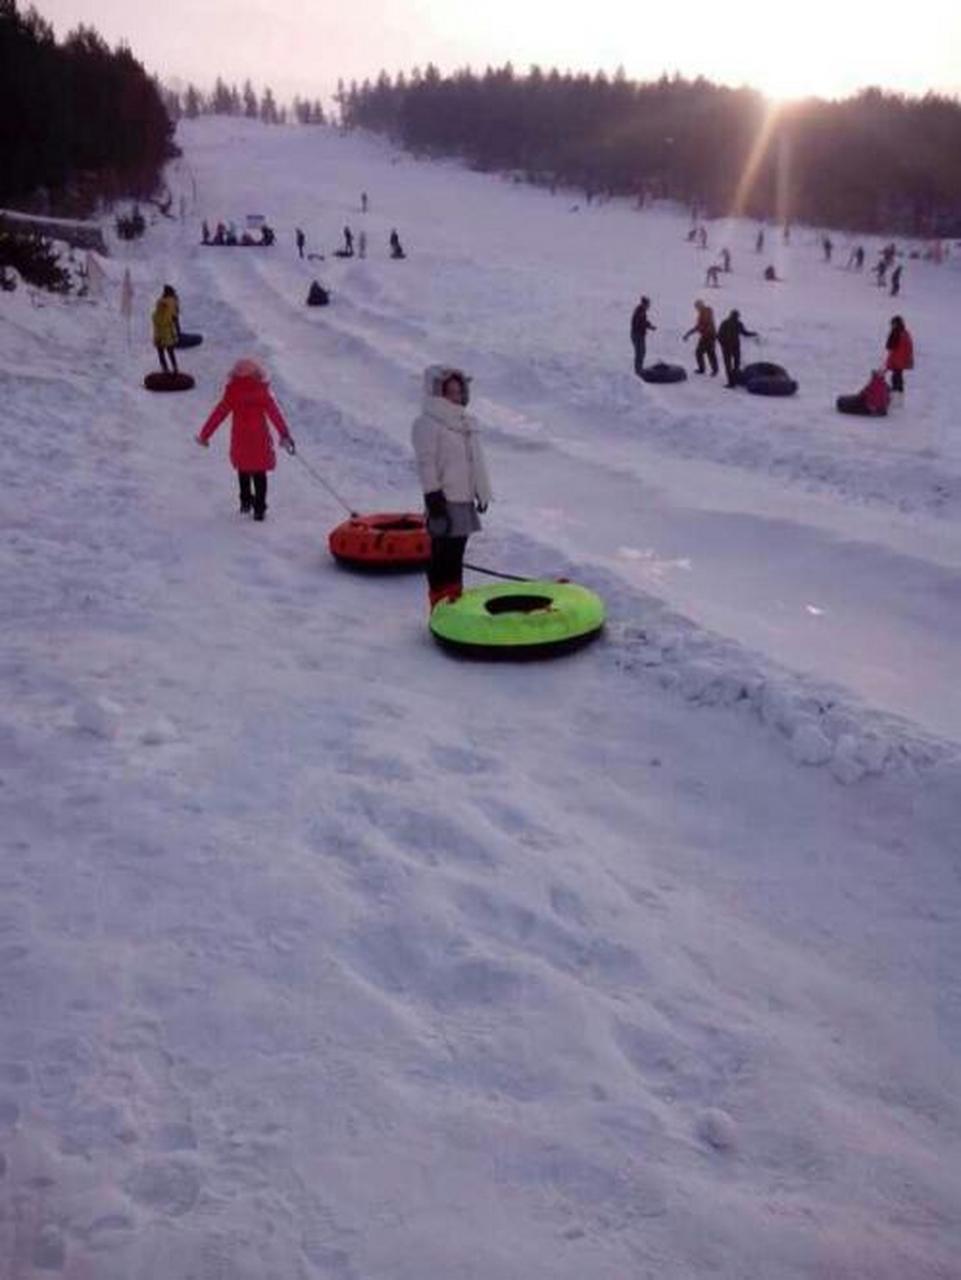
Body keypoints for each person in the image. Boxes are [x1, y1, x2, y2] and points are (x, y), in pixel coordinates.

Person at [411, 366, 492, 610]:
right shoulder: (427, 423)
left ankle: (454, 601)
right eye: (450, 392)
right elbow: (426, 462)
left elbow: (476, 460)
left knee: (456, 554)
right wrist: (432, 495)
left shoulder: (467, 422)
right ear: (437, 393)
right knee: (441, 554)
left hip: (464, 499)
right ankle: (438, 603)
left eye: (459, 392)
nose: (455, 397)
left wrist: (482, 490)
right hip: (444, 499)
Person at [196, 358, 296, 521]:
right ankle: (259, 508)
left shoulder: (232, 393)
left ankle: (245, 501)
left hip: (240, 441)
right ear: (257, 374)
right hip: (259, 441)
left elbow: (218, 414)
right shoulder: (262, 393)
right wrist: (284, 435)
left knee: (243, 470)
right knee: (259, 474)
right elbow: (276, 415)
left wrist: (205, 435)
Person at [717, 309, 759, 387]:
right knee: (736, 364)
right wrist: (753, 334)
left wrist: (722, 344)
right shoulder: (738, 323)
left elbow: (719, 336)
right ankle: (733, 381)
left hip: (728, 348)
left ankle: (731, 382)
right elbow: (745, 333)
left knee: (728, 365)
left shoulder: (725, 323)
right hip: (734, 347)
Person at [683, 299, 718, 375]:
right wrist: (689, 333)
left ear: (701, 305)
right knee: (702, 353)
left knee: (708, 353)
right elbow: (699, 326)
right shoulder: (704, 312)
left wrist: (689, 333)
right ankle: (705, 369)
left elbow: (703, 325)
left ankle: (712, 370)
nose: (696, 309)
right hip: (706, 336)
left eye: (697, 307)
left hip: (709, 336)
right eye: (696, 307)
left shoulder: (705, 312)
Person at [152, 285, 180, 375]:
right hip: (167, 331)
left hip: (159, 331)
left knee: (161, 351)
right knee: (170, 350)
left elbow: (155, 316)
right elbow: (175, 317)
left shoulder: (160, 302)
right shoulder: (172, 302)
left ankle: (165, 369)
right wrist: (177, 330)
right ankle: (174, 368)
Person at [885, 315, 913, 394]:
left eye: (893, 324)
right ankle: (898, 395)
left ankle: (897, 396)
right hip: (901, 360)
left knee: (896, 378)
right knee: (897, 377)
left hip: (898, 360)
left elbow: (890, 346)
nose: (892, 326)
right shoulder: (904, 333)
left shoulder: (897, 333)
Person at [629, 295, 655, 375]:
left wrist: (649, 326)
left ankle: (639, 369)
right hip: (637, 335)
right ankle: (638, 371)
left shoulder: (642, 311)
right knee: (639, 353)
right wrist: (647, 326)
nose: (649, 306)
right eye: (648, 304)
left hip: (640, 335)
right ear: (644, 304)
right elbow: (639, 323)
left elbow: (643, 322)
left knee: (642, 352)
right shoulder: (639, 311)